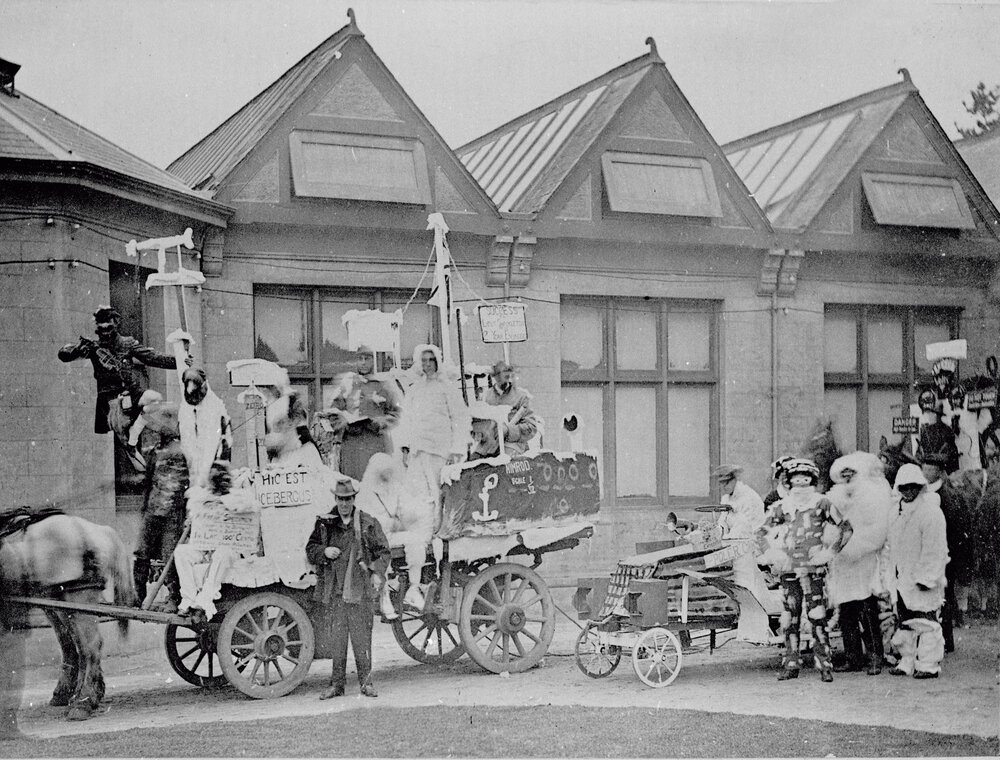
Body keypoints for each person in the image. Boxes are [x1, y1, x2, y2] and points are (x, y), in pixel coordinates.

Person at [395, 344, 470, 607]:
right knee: (417, 495)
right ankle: (418, 534)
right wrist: (405, 447)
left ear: (437, 362)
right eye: (424, 360)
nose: (427, 364)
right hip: (419, 451)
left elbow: (460, 418)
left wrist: (457, 449)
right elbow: (406, 420)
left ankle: (438, 533)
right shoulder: (415, 391)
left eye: (431, 360)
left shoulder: (446, 389)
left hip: (440, 450)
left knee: (438, 496)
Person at [306, 478, 391, 699]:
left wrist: (375, 572)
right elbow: (311, 548)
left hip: (360, 592)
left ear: (354, 499)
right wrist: (324, 551)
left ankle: (366, 683)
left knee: (362, 640)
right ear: (335, 499)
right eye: (341, 499)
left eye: (348, 499)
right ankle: (337, 685)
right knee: (337, 641)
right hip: (335, 592)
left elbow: (383, 552)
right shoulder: (325, 524)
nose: (344, 503)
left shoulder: (367, 523)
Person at [756, 458, 839, 682]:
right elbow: (760, 533)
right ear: (789, 483)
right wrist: (774, 554)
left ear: (812, 481)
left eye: (805, 480)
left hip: (814, 571)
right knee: (789, 619)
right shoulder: (782, 507)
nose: (801, 485)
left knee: (818, 617)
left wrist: (829, 553)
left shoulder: (822, 503)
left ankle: (824, 664)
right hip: (789, 571)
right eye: (796, 481)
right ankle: (791, 663)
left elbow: (846, 528)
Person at [58, 305, 180, 437]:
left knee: (154, 398)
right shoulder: (93, 347)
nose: (105, 333)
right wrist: (77, 349)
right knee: (123, 432)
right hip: (110, 399)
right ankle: (133, 437)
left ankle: (146, 433)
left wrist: (180, 360)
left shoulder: (127, 343)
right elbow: (64, 355)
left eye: (108, 327)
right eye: (102, 329)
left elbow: (153, 357)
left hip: (131, 393)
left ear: (115, 324)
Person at [826, 452, 893, 675]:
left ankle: (875, 656)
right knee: (847, 611)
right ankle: (852, 657)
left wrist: (857, 546)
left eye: (852, 475)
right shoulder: (835, 499)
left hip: (864, 559)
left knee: (867, 608)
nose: (848, 480)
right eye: (844, 476)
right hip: (844, 563)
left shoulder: (871, 497)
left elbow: (877, 531)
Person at [885, 464, 949, 678]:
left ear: (920, 487)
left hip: (922, 578)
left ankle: (928, 664)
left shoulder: (930, 512)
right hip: (901, 577)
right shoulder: (894, 512)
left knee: (927, 622)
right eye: (904, 487)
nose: (908, 491)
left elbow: (936, 548)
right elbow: (890, 546)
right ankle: (907, 660)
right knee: (905, 621)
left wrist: (927, 577)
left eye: (913, 486)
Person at [133, 399, 189, 612]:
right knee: (141, 552)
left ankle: (175, 598)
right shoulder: (154, 450)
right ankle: (137, 597)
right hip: (153, 509)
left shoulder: (185, 449)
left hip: (173, 512)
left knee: (170, 556)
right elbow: (148, 479)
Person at [324, 346, 401, 480]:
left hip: (375, 442)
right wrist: (343, 421)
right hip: (351, 444)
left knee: (375, 481)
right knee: (352, 481)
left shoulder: (384, 384)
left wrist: (380, 422)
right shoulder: (347, 383)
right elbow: (333, 412)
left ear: (373, 361)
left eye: (367, 359)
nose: (363, 362)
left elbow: (397, 412)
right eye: (360, 359)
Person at [921, 452, 971, 653]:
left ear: (939, 472)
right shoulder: (924, 492)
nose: (925, 472)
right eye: (924, 468)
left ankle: (945, 639)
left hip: (945, 553)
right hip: (931, 552)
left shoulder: (947, 496)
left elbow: (956, 528)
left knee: (944, 596)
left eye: (930, 468)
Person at [178, 367, 232, 489]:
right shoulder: (185, 407)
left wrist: (203, 475)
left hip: (212, 463)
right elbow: (185, 439)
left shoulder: (214, 407)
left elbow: (212, 444)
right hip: (192, 466)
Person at [483, 361, 540, 456]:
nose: (506, 378)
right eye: (500, 374)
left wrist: (508, 431)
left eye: (507, 374)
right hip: (490, 445)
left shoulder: (521, 397)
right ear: (495, 376)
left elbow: (531, 428)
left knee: (505, 459)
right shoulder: (486, 397)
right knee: (473, 460)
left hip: (513, 445)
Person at [714, 464, 765, 539]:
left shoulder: (748, 496)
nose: (724, 486)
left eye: (727, 482)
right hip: (734, 537)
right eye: (721, 483)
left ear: (735, 479)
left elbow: (743, 527)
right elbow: (723, 521)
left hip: (751, 538)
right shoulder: (726, 498)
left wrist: (725, 538)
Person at [916, 390, 959, 474]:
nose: (933, 416)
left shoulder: (947, 430)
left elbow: (951, 453)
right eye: (933, 414)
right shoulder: (926, 430)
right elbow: (919, 451)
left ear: (939, 416)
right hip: (927, 468)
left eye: (936, 414)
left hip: (943, 469)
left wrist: (937, 456)